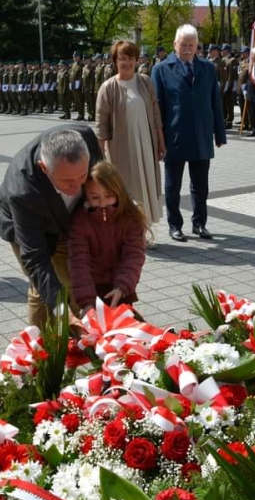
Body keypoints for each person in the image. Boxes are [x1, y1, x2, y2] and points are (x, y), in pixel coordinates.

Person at [0, 125, 103, 327]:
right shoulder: (23, 192)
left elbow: (103, 181)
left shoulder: (86, 137)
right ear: (44, 168)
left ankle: (78, 331)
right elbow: (36, 260)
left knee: (75, 280)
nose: (77, 187)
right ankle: (43, 341)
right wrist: (62, 312)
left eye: (82, 176)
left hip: (68, 219)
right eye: (67, 181)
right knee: (42, 288)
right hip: (27, 224)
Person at [151, 24, 227, 243]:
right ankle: (175, 225)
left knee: (201, 186)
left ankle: (199, 223)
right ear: (175, 44)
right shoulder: (161, 69)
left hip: (201, 135)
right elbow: (157, 108)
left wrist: (219, 133)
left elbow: (215, 102)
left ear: (197, 46)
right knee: (172, 187)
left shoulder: (207, 68)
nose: (187, 49)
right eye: (183, 44)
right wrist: (158, 140)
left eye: (191, 45)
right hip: (174, 136)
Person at [95, 39, 165, 232]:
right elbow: (101, 125)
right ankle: (129, 233)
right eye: (122, 58)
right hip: (121, 148)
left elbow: (156, 114)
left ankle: (144, 230)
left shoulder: (145, 82)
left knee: (145, 186)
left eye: (131, 58)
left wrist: (161, 142)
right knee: (126, 188)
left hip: (146, 144)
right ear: (115, 61)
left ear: (136, 60)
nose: (127, 62)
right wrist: (99, 156)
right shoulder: (108, 87)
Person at [68, 161, 147, 316]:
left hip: (121, 288)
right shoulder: (80, 220)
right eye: (95, 197)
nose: (102, 203)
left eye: (108, 196)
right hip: (91, 287)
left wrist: (122, 286)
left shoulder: (130, 216)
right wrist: (86, 302)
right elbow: (78, 262)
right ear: (86, 194)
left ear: (118, 192)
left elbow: (134, 255)